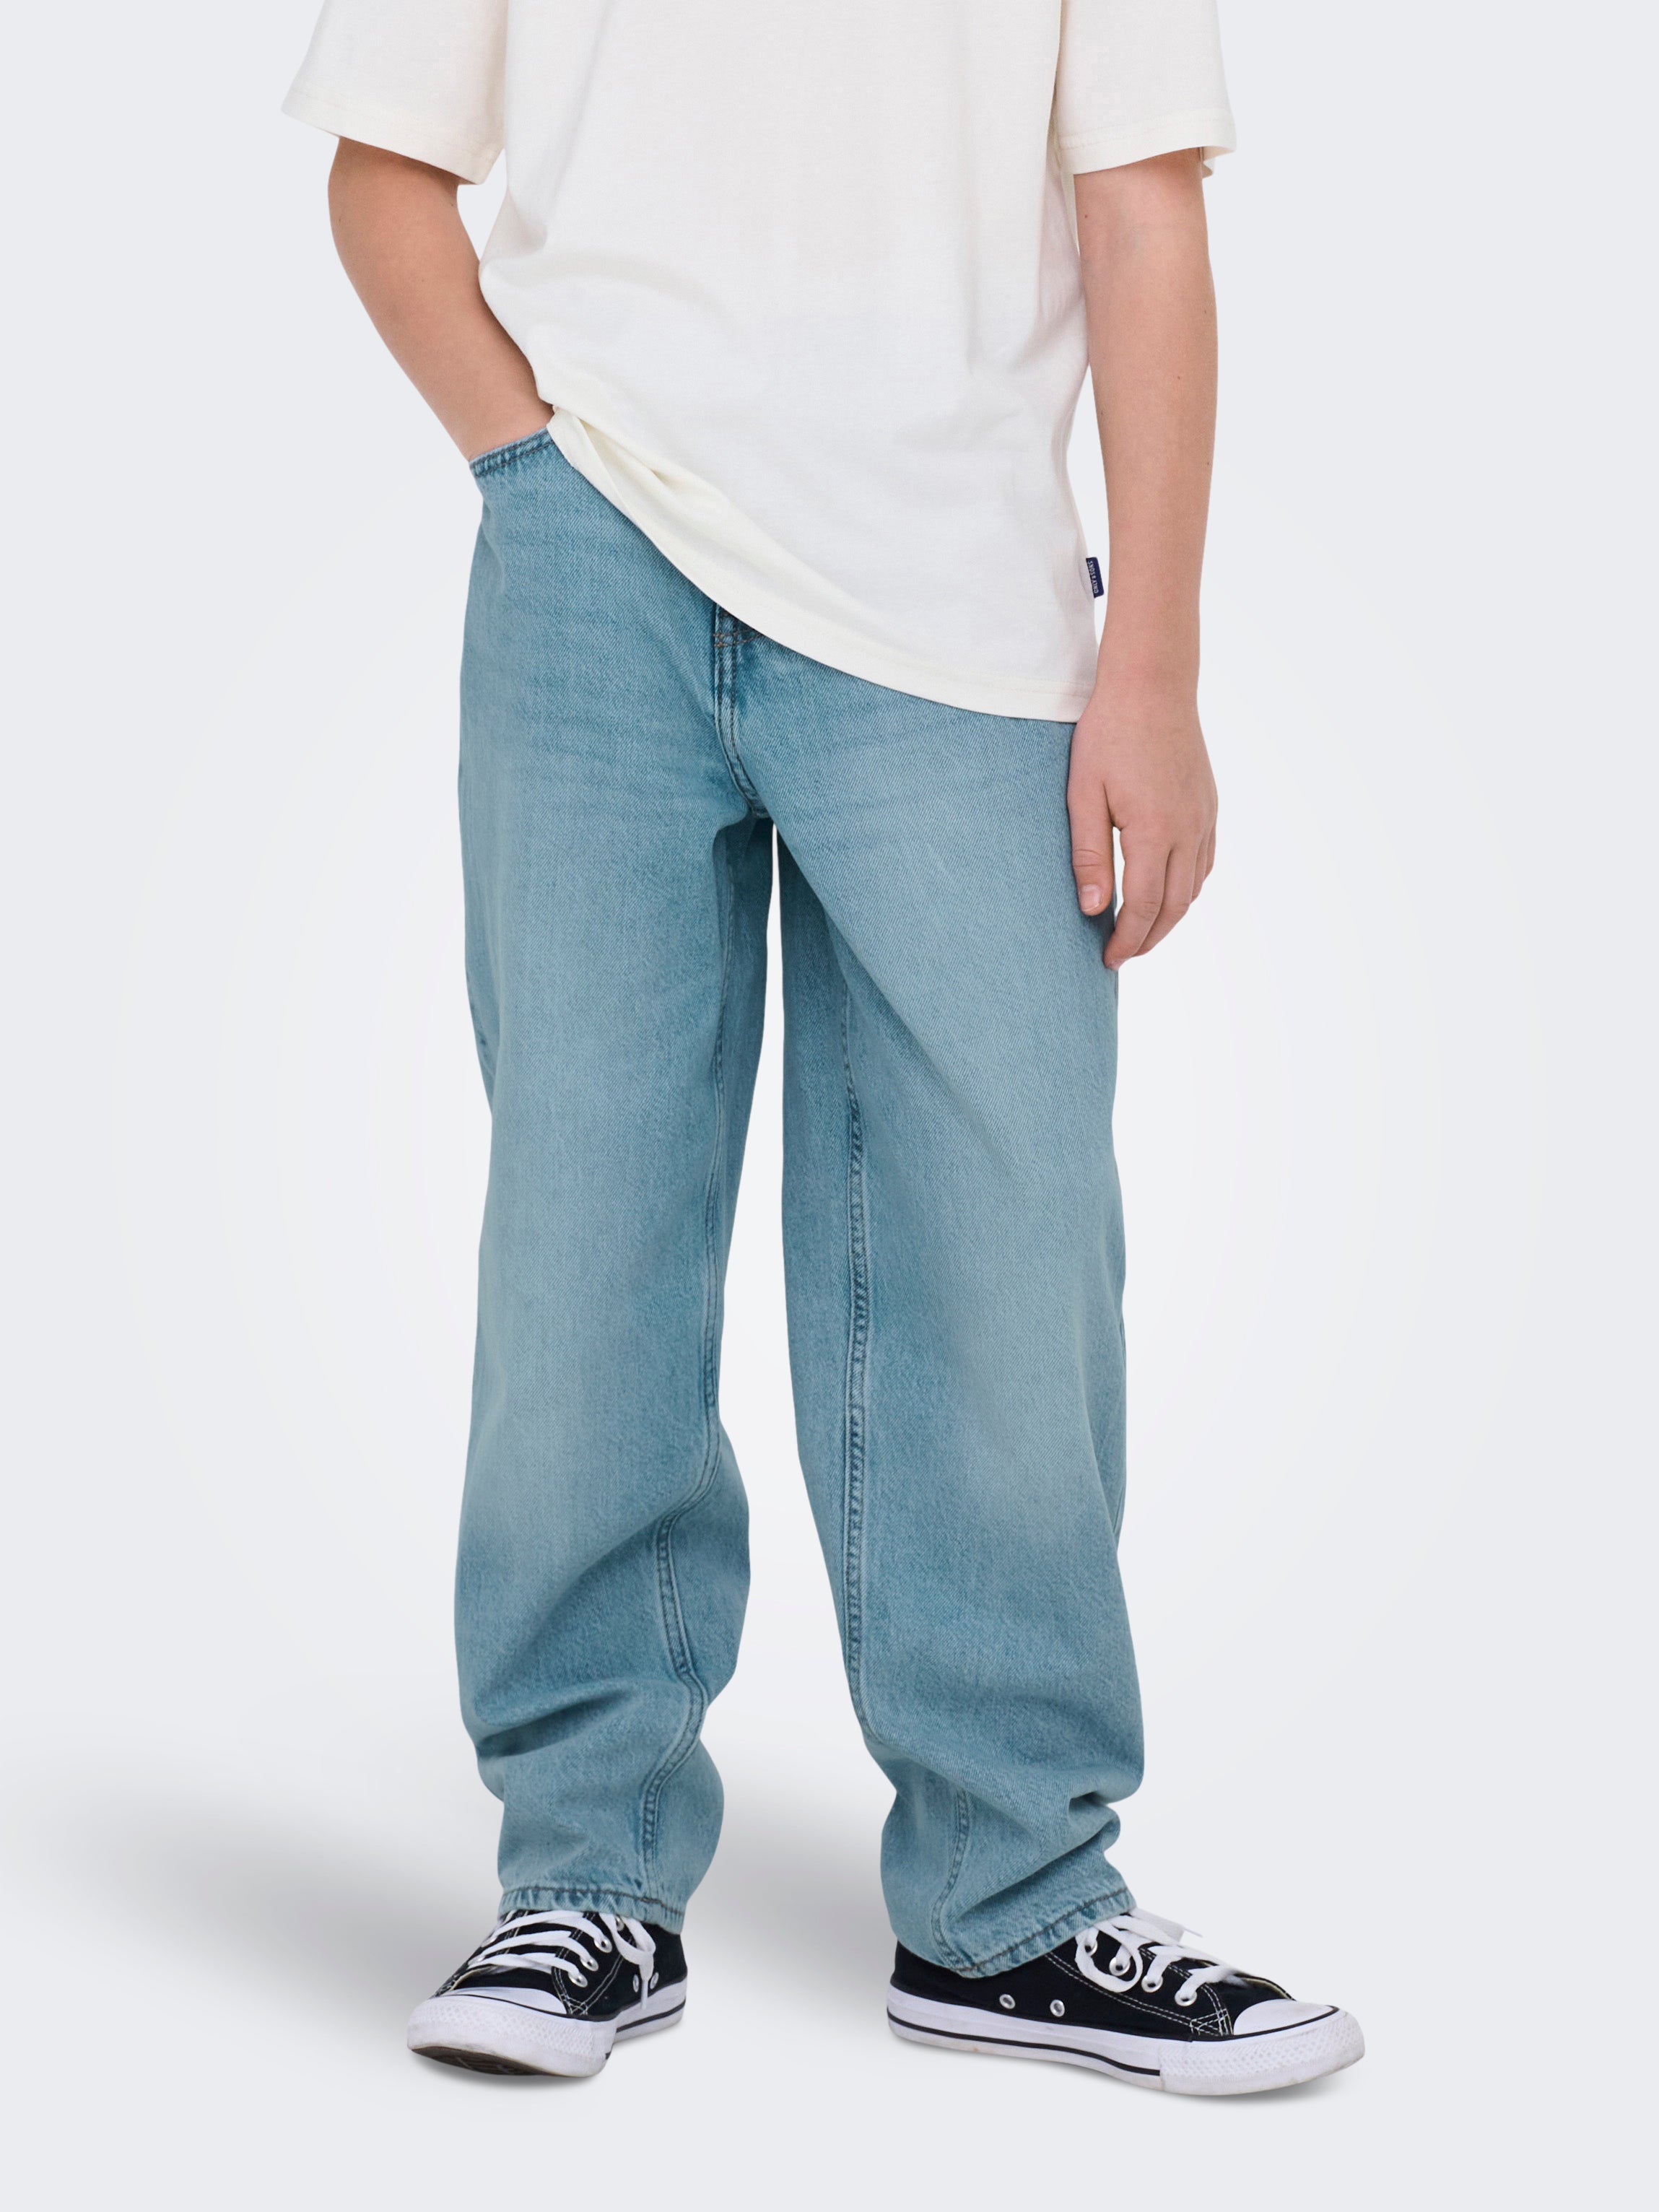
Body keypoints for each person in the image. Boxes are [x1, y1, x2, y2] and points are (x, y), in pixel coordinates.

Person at [283, 0, 1362, 2095]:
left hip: (958, 608)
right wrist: (531, 471)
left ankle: (1011, 1893)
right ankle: (582, 1871)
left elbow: (1143, 212)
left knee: (1004, 1244)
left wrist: (1152, 665)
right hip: (595, 568)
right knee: (587, 1226)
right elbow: (382, 167)